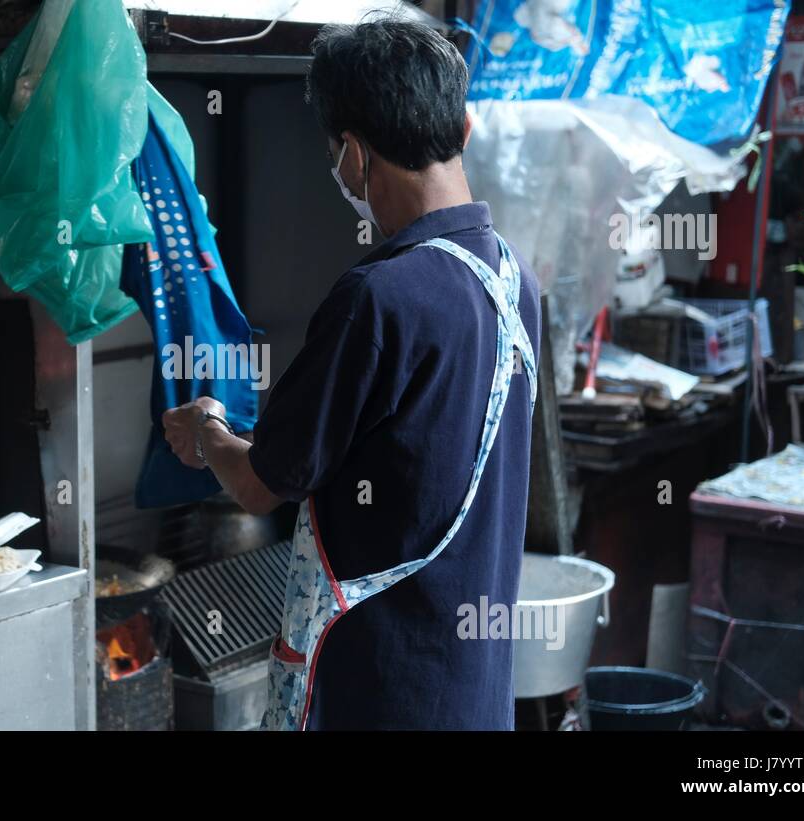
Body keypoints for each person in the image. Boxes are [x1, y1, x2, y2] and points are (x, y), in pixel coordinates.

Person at [162, 17, 541, 730]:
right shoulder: (517, 282)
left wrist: (207, 428)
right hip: (474, 696)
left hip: (382, 690)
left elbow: (257, 483)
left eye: (337, 157)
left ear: (356, 157)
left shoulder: (378, 298)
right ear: (463, 129)